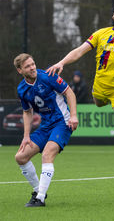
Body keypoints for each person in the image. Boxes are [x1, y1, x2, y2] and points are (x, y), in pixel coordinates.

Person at [46, 1, 114, 185]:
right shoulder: (101, 33)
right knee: (98, 103)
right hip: (99, 86)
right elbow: (80, 51)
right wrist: (62, 63)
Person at [14, 53, 78, 207]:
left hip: (62, 122)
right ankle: (38, 190)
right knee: (20, 157)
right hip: (45, 126)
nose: (32, 67)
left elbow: (69, 92)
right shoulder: (22, 89)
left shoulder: (48, 76)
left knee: (47, 154)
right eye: (28, 66)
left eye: (33, 64)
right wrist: (26, 136)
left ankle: (40, 199)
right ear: (20, 70)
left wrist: (74, 116)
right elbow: (27, 111)